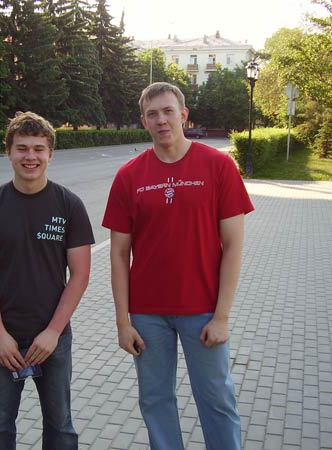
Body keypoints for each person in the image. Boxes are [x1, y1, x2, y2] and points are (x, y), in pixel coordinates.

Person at [102, 82, 254, 450]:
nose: (161, 120)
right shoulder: (129, 176)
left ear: (183, 115)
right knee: (155, 401)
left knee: (216, 400)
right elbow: (119, 254)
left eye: (168, 111)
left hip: (203, 311)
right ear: (144, 121)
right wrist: (123, 322)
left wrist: (222, 316)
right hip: (147, 315)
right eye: (152, 114)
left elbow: (234, 246)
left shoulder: (217, 166)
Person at [0, 111, 94, 450]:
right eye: (22, 148)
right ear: (8, 152)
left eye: (38, 149)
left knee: (60, 427)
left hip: (53, 339)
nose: (30, 157)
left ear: (50, 154)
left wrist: (53, 332)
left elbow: (80, 275)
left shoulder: (69, 205)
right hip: (5, 340)